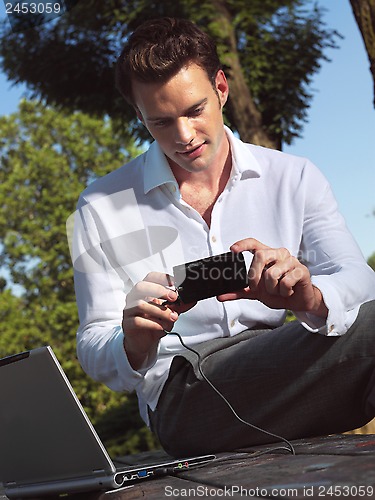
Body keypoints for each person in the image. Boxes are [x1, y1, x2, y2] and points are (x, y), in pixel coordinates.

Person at [71, 17, 375, 457]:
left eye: (195, 111)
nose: (184, 136)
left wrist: (309, 296)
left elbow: (359, 280)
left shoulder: (293, 177)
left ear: (221, 88)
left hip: (286, 364)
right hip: (184, 393)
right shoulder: (100, 204)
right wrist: (132, 341)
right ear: (139, 115)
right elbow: (93, 342)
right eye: (160, 122)